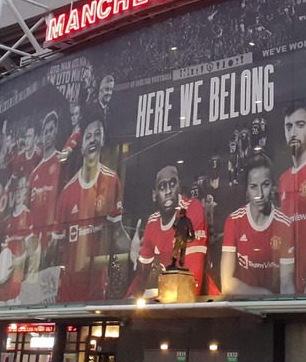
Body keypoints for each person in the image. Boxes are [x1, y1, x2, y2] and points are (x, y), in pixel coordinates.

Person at [53, 116, 130, 303]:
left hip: (97, 290)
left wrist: (134, 250)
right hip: (67, 290)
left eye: (97, 135)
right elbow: (55, 248)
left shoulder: (112, 182)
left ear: (103, 141)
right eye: (88, 136)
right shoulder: (67, 193)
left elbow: (117, 234)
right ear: (81, 145)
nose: (93, 139)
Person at [127, 165, 207, 297]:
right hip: (163, 299)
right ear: (154, 195)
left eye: (172, 184)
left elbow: (193, 277)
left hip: (192, 303)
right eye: (162, 187)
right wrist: (136, 261)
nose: (168, 191)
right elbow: (142, 278)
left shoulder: (192, 209)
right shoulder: (152, 222)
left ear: (179, 188)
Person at [221, 154, 295, 295]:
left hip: (274, 309)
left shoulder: (284, 224)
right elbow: (227, 284)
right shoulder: (234, 221)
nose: (260, 194)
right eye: (253, 187)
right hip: (244, 307)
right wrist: (263, 295)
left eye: (265, 185)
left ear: (273, 186)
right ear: (247, 190)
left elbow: (287, 283)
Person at [278, 102, 306, 293]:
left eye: (300, 125)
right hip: (291, 283)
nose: (293, 132)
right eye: (289, 126)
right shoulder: (284, 178)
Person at [0, 175, 35, 305]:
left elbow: (31, 250)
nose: (19, 192)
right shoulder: (7, 220)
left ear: (26, 192)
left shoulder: (28, 216)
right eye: (17, 189)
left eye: (22, 189)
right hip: (1, 285)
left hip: (17, 286)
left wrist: (16, 260)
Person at [29, 111, 64, 253]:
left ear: (56, 131)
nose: (48, 134)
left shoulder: (62, 162)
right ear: (42, 135)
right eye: (45, 131)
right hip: (35, 243)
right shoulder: (34, 174)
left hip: (54, 240)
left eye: (51, 130)